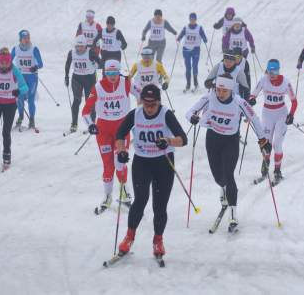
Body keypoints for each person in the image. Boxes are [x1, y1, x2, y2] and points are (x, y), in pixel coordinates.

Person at [186, 73, 271, 233]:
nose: (220, 93)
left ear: (231, 90)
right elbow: (190, 111)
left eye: (224, 91)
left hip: (230, 141)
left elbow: (254, 119)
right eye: (218, 89)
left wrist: (263, 140)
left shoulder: (239, 102)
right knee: (219, 177)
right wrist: (193, 117)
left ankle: (233, 213)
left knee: (229, 175)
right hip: (212, 139)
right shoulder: (209, 97)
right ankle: (223, 188)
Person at [116, 84, 187, 258]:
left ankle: (158, 240)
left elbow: (183, 139)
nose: (148, 108)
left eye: (152, 104)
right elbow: (119, 134)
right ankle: (129, 237)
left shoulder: (166, 114)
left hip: (163, 163)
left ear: (158, 102)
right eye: (145, 103)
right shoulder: (136, 114)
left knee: (159, 205)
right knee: (140, 200)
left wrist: (168, 141)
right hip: (142, 162)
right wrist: (122, 151)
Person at [82, 60, 132, 212]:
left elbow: (143, 95)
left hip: (121, 129)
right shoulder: (98, 87)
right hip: (103, 130)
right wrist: (90, 124)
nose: (112, 76)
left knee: (119, 163)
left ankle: (124, 193)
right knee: (108, 164)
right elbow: (85, 111)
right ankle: (107, 196)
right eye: (109, 73)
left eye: (115, 72)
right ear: (104, 73)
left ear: (119, 72)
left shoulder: (126, 83)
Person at [248, 59, 297, 183]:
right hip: (267, 113)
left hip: (281, 114)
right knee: (267, 144)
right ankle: (265, 166)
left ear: (279, 70)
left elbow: (294, 101)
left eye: (275, 71)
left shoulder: (285, 82)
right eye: (270, 71)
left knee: (277, 145)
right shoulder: (263, 80)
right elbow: (253, 94)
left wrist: (291, 115)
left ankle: (277, 171)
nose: (272, 75)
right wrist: (252, 99)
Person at [65, 35, 102, 133]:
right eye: (77, 46)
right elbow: (67, 64)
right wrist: (66, 77)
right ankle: (74, 123)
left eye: (81, 47)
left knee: (89, 101)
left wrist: (95, 64)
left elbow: (101, 64)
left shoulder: (90, 53)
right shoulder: (72, 53)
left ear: (85, 46)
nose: (79, 49)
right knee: (76, 100)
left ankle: (92, 123)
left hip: (89, 79)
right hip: (77, 78)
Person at [11, 30, 43, 129]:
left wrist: (35, 67)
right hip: (20, 77)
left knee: (30, 98)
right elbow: (8, 61)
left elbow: (41, 64)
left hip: (31, 77)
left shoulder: (34, 49)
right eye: (24, 38)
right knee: (19, 98)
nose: (27, 40)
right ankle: (21, 117)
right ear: (20, 39)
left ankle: (32, 119)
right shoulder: (15, 49)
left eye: (28, 38)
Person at [177, 12, 208, 93]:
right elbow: (181, 34)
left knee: (194, 66)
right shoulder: (186, 27)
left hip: (195, 49)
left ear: (195, 19)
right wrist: (179, 38)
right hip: (186, 50)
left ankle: (196, 83)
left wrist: (205, 39)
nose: (192, 21)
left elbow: (203, 35)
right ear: (189, 19)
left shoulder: (199, 28)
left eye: (194, 19)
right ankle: (188, 84)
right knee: (188, 68)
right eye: (191, 19)